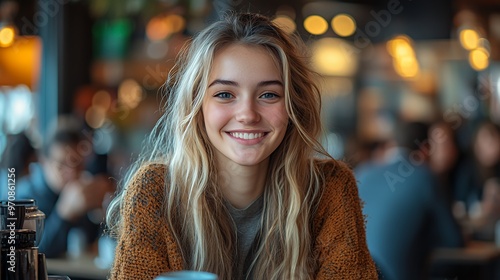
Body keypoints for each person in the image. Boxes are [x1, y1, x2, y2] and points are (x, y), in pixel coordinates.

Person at [107, 13, 377, 280]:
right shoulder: (155, 191)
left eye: (269, 95)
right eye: (225, 94)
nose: (247, 114)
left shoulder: (330, 189)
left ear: (294, 107)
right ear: (197, 106)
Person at [355, 121, 464, 280]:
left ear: (393, 143)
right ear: (427, 149)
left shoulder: (362, 173)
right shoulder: (425, 177)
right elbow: (454, 241)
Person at [12, 116, 114, 257]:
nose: (71, 172)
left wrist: (105, 213)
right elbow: (28, 253)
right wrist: (64, 214)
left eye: (77, 163)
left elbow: (95, 243)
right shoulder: (24, 196)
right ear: (43, 161)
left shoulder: (84, 188)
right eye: (61, 164)